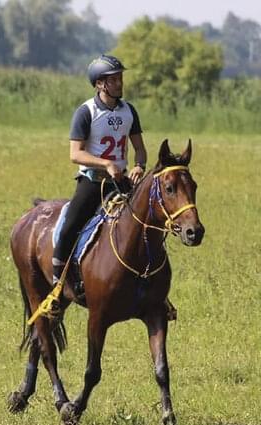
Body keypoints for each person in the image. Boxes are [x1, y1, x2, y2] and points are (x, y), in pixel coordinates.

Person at [52, 54, 147, 285]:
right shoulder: (86, 112)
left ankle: (150, 281)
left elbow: (140, 149)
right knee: (69, 227)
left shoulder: (129, 111)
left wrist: (138, 166)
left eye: (120, 78)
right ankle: (58, 281)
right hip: (93, 182)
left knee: (147, 222)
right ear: (99, 84)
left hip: (122, 182)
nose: (119, 83)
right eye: (113, 79)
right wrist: (105, 164)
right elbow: (75, 154)